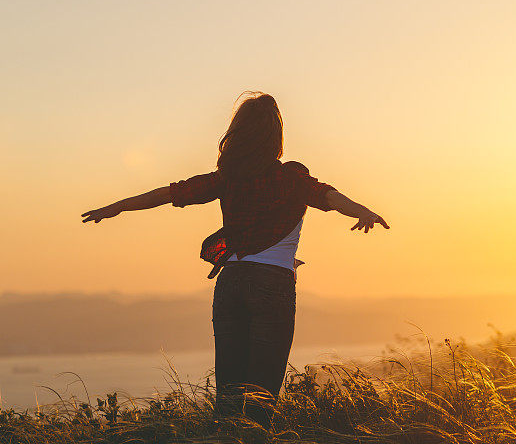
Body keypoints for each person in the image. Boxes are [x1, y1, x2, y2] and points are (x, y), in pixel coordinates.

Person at [80, 91, 389, 427]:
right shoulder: (291, 178)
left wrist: (117, 207)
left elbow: (168, 194)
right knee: (261, 400)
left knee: (228, 401)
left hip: (230, 285)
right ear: (276, 135)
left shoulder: (227, 178)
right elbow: (327, 196)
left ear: (238, 133)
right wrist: (362, 211)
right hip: (272, 287)